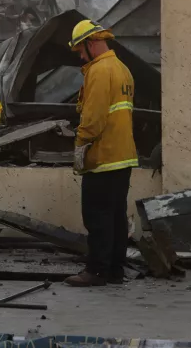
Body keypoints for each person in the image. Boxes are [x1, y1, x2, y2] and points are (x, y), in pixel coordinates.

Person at [64, 19, 138, 287]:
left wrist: (80, 145)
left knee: (96, 216)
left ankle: (95, 271)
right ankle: (114, 270)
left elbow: (93, 118)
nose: (81, 56)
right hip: (123, 156)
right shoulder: (122, 69)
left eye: (81, 50)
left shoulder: (98, 71)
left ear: (92, 44)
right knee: (116, 217)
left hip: (103, 156)